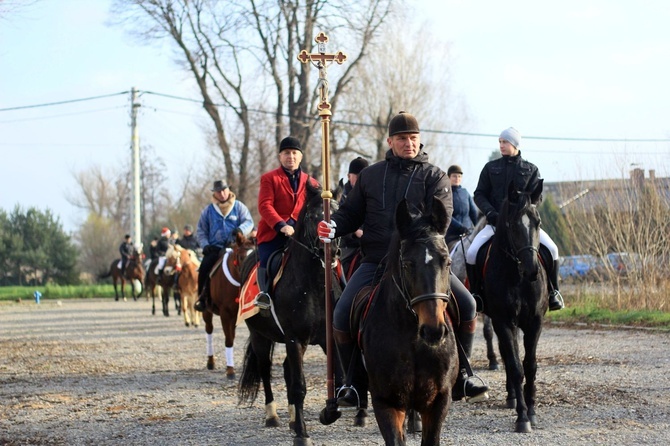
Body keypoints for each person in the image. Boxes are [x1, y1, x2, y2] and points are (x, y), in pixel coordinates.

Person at [317, 111, 489, 407]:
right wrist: (333, 226)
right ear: (390, 141)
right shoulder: (371, 176)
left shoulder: (435, 176)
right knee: (341, 314)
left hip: (423, 264)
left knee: (469, 305)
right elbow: (350, 213)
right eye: (401, 139)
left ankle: (464, 375)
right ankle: (355, 384)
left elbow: (442, 220)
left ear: (419, 140)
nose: (408, 143)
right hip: (375, 262)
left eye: (412, 138)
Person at [465, 127, 564, 311]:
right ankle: (476, 293)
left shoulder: (531, 169)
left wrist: (526, 213)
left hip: (523, 226)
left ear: (515, 144)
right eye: (500, 142)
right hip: (495, 225)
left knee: (553, 249)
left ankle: (553, 292)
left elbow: (538, 197)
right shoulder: (490, 168)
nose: (502, 145)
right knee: (472, 253)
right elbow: (479, 194)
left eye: (505, 142)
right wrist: (490, 213)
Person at [253, 136, 320, 311]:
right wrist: (281, 225)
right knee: (267, 260)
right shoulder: (269, 178)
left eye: (294, 153)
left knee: (322, 260)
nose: (290, 156)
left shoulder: (311, 182)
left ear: (300, 157)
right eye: (286, 153)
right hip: (273, 233)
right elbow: (264, 206)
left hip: (302, 235)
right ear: (280, 156)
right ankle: (264, 295)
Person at [193, 181, 254, 312]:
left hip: (236, 247)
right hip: (215, 248)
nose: (221, 193)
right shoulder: (208, 210)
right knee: (204, 267)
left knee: (253, 262)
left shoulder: (239, 207)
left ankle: (259, 294)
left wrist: (240, 230)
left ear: (228, 190)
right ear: (214, 193)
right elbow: (201, 231)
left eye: (224, 190)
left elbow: (249, 222)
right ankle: (202, 297)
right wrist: (205, 245)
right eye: (218, 191)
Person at [339, 157, 369, 279]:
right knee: (340, 266)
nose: (360, 179)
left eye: (363, 175)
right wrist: (355, 231)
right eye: (356, 176)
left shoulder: (373, 193)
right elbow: (341, 217)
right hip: (349, 242)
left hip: (370, 240)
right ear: (348, 176)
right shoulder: (342, 195)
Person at [445, 165, 479, 247]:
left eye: (459, 176)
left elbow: (473, 213)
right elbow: (447, 215)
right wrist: (460, 228)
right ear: (448, 177)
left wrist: (478, 228)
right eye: (454, 176)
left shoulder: (465, 193)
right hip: (452, 235)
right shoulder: (445, 194)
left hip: (468, 233)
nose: (457, 178)